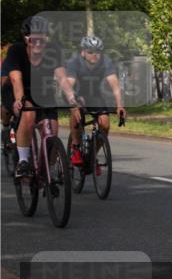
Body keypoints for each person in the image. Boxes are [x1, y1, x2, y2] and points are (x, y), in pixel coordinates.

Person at [2, 15, 74, 178]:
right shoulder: (16, 51)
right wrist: (20, 100)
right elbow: (16, 79)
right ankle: (23, 162)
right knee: (28, 113)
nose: (38, 43)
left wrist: (71, 96)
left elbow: (62, 77)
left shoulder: (53, 51)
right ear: (25, 38)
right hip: (16, 90)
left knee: (52, 130)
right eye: (33, 39)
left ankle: (48, 172)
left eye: (42, 39)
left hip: (42, 91)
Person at [65, 35, 127, 166]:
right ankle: (75, 147)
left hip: (95, 95)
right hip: (76, 93)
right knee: (77, 115)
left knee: (105, 124)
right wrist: (74, 105)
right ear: (83, 52)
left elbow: (115, 85)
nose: (94, 55)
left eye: (98, 52)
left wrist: (120, 105)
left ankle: (92, 155)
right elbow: (69, 85)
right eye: (90, 52)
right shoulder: (74, 61)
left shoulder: (106, 61)